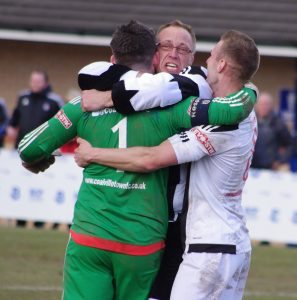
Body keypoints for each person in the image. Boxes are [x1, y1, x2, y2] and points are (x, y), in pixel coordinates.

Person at [18, 20, 214, 300]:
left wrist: (42, 156)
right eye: (167, 46)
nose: (174, 53)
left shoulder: (85, 102)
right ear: (153, 55)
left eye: (183, 48)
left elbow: (28, 148)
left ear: (113, 59)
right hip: (144, 241)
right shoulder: (174, 107)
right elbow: (222, 113)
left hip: (94, 234)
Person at [74, 29, 260, 300]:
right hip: (230, 242)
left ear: (221, 64)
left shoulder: (222, 113)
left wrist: (92, 154)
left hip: (207, 243)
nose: (206, 61)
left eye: (209, 55)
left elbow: (150, 159)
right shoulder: (234, 101)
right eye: (167, 45)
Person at [6, 69, 64, 148]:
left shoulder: (54, 101)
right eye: (33, 81)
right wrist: (12, 127)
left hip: (44, 146)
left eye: (38, 82)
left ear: (46, 83)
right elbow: (16, 116)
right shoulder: (23, 97)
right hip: (21, 143)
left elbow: (61, 123)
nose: (35, 84)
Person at [251, 91, 293, 170]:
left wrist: (280, 160)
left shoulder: (279, 123)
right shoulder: (249, 122)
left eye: (266, 104)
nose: (264, 107)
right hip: (251, 165)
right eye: (261, 104)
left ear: (271, 106)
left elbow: (291, 146)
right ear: (256, 105)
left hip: (273, 166)